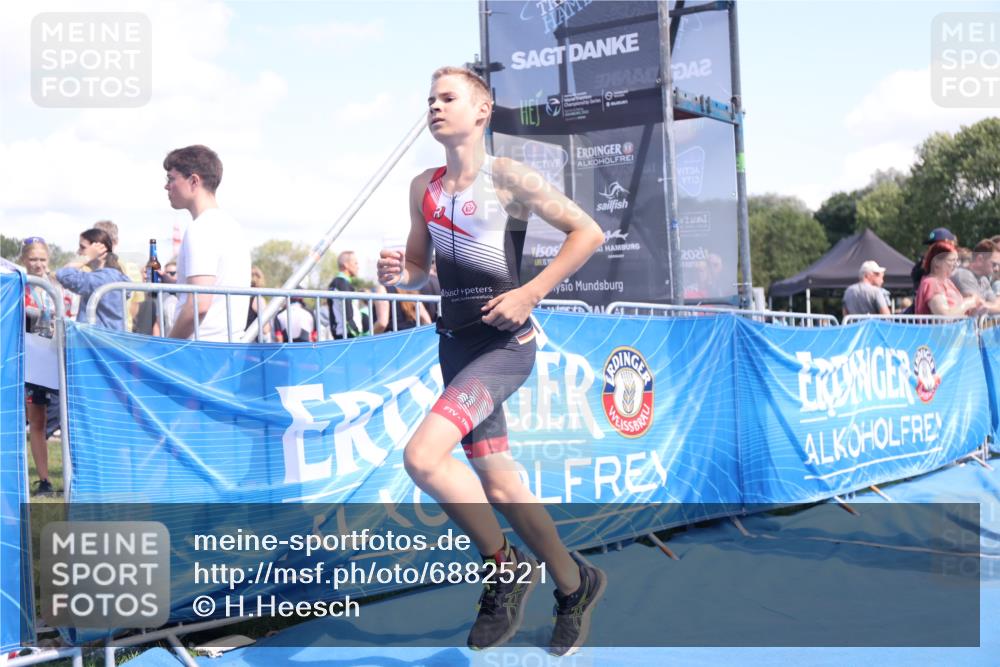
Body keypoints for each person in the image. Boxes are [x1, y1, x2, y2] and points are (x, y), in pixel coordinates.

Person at [377, 66, 605, 655]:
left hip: (505, 347)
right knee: (502, 487)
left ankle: (505, 568)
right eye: (429, 99)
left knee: (424, 457)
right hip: (454, 345)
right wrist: (397, 279)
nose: (435, 106)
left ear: (482, 110)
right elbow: (419, 270)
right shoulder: (420, 186)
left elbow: (588, 233)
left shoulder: (508, 176)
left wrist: (532, 292)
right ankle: (574, 583)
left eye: (448, 98)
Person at [163, 145, 251, 341]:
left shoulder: (202, 228)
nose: (166, 187)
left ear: (194, 181)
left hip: (201, 351)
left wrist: (168, 347)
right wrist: (171, 284)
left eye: (171, 179)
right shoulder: (231, 226)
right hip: (224, 348)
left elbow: (199, 304)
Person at [19, 238, 59, 496]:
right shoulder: (19, 286)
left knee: (61, 419)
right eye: (33, 259)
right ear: (24, 260)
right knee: (37, 420)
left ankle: (73, 477)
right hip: (31, 360)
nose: (38, 264)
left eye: (42, 259)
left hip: (54, 356)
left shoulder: (54, 285)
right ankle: (43, 480)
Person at [55, 227, 129, 330]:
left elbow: (63, 275)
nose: (78, 252)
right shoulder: (113, 275)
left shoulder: (101, 279)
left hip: (97, 343)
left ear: (100, 251)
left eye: (82, 247)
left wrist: (87, 257)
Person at [915, 240, 981, 316]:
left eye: (956, 261)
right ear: (936, 262)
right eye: (951, 260)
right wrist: (968, 303)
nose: (955, 265)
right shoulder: (931, 283)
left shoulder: (947, 282)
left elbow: (960, 312)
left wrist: (976, 305)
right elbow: (945, 316)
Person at [951, 239, 1000, 314]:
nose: (997, 269)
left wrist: (990, 306)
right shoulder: (963, 275)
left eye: (998, 265)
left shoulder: (984, 279)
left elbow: (995, 305)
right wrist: (992, 306)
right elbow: (978, 308)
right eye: (994, 264)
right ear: (980, 259)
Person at [327, 251, 364, 338]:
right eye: (355, 263)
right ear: (346, 265)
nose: (358, 267)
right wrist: (356, 331)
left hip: (343, 333)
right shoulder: (341, 283)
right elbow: (348, 311)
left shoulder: (339, 282)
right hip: (347, 335)